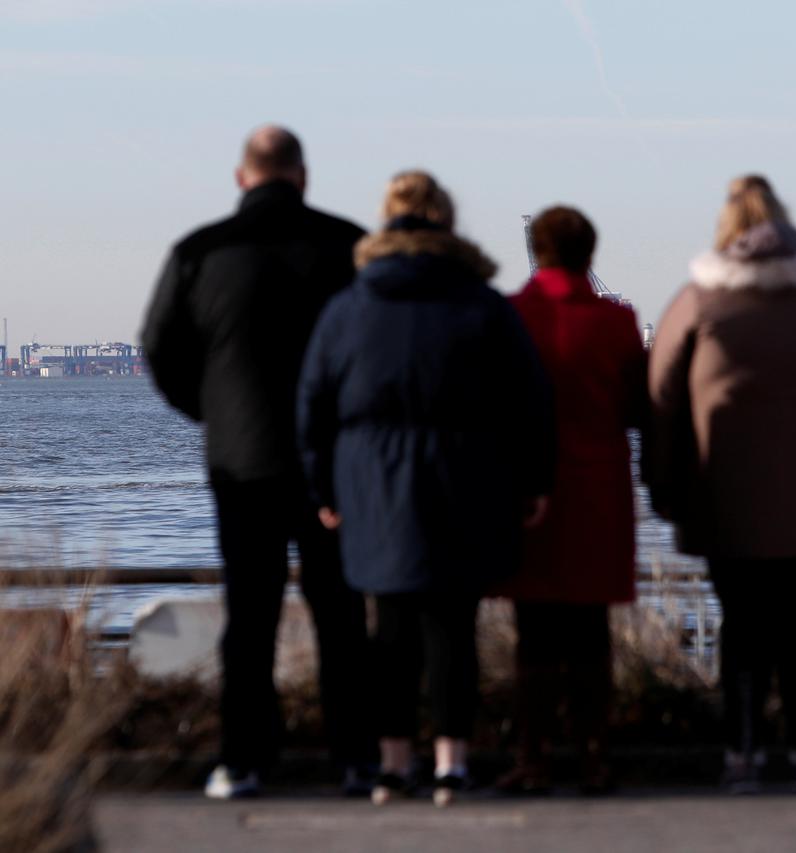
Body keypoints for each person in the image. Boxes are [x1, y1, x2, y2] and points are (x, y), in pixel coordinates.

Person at [296, 171, 555, 807]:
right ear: (446, 220)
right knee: (453, 629)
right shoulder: (482, 303)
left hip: (373, 481)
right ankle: (451, 765)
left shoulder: (349, 306)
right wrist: (534, 480)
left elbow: (314, 406)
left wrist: (323, 486)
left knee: (390, 631)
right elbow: (530, 400)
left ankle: (390, 764)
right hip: (466, 475)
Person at [141, 126, 377, 800]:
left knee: (250, 614)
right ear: (302, 176)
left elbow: (158, 347)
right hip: (330, 462)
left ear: (241, 177)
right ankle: (356, 757)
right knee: (340, 614)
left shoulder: (198, 251)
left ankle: (244, 758)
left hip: (240, 462)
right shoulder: (350, 246)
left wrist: (211, 411)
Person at [646, 175, 796, 794]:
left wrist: (662, 482)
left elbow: (661, 398)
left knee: (741, 625)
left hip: (724, 492)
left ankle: (741, 753)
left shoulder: (700, 299)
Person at [496, 207, 647, 795]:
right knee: (590, 633)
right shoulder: (617, 321)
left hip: (526, 493)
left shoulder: (511, 317)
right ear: (591, 253)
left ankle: (533, 756)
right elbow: (638, 407)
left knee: (533, 636)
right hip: (598, 489)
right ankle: (593, 756)